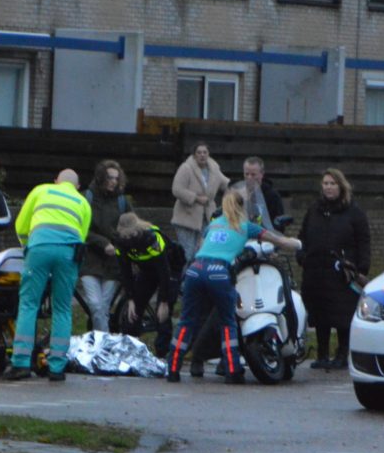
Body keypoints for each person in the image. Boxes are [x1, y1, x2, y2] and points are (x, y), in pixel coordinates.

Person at [167, 189, 302, 384]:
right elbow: (278, 240)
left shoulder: (213, 224)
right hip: (219, 272)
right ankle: (232, 370)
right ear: (241, 207)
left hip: (195, 270)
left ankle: (172, 368)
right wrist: (298, 244)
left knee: (187, 321)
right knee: (227, 321)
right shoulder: (246, 226)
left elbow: (200, 247)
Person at [4, 169, 92, 383]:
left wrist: (28, 246)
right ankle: (57, 367)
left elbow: (22, 225)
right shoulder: (83, 203)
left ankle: (21, 363)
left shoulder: (41, 190)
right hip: (69, 253)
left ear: (55, 181)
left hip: (40, 248)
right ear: (78, 187)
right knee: (62, 307)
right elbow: (82, 235)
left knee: (29, 304)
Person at [298, 168, 371, 371]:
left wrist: (361, 268)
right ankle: (322, 354)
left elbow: (363, 241)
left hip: (342, 274)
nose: (328, 187)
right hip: (315, 272)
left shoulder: (354, 213)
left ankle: (342, 353)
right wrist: (302, 255)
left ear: (341, 186)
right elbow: (302, 236)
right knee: (320, 314)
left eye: (332, 183)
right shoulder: (314, 210)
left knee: (342, 315)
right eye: (325, 184)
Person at [114, 212, 182, 358]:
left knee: (162, 313)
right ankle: (130, 348)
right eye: (123, 237)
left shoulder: (151, 238)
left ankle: (162, 353)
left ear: (136, 231)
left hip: (170, 267)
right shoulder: (120, 242)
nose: (126, 240)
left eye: (129, 236)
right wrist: (131, 299)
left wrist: (164, 300)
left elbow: (164, 272)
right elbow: (125, 272)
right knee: (133, 312)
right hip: (147, 269)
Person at [79, 160, 133, 332]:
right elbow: (81, 228)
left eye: (116, 179)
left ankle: (100, 345)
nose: (113, 182)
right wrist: (103, 243)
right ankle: (104, 345)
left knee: (103, 306)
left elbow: (131, 226)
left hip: (113, 262)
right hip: (90, 261)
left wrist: (118, 243)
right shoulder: (87, 198)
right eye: (109, 177)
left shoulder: (122, 201)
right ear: (101, 177)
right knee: (95, 305)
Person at [170, 142, 228, 258]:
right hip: (186, 218)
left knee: (203, 250)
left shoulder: (214, 168)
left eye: (205, 152)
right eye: (199, 152)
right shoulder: (186, 168)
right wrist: (196, 198)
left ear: (208, 154)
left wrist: (240, 191)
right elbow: (176, 189)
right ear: (194, 155)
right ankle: (185, 275)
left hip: (207, 217)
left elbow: (225, 183)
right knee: (188, 252)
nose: (202, 155)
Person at [242, 156, 285, 230]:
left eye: (253, 174)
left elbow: (278, 225)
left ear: (262, 174)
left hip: (264, 238)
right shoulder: (237, 194)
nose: (249, 178)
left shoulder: (272, 196)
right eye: (247, 174)